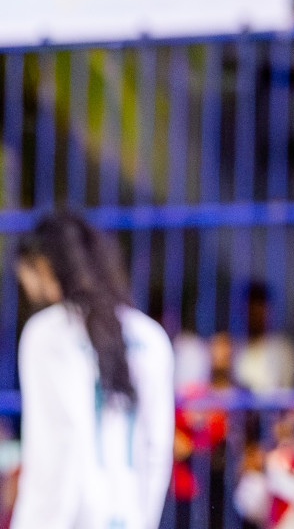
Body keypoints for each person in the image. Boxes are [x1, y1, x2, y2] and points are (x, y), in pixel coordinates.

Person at [11, 209, 175, 529]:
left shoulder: (47, 334)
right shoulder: (149, 337)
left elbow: (56, 446)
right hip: (129, 515)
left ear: (43, 267)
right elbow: (157, 446)